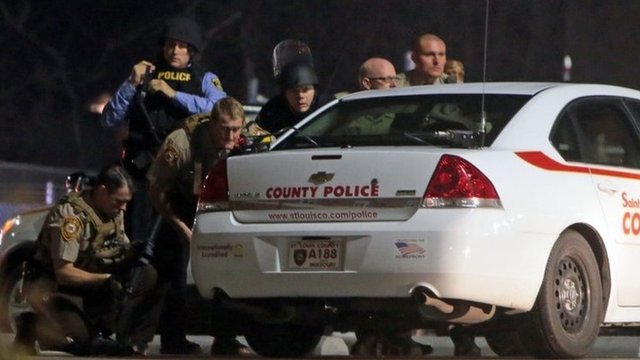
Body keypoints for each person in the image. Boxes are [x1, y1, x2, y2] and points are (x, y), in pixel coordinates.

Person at [100, 16, 227, 244]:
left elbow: (219, 108)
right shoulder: (145, 74)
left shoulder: (205, 79)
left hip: (184, 174)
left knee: (179, 241)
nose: (175, 51)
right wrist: (131, 83)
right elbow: (109, 118)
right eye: (170, 45)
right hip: (142, 171)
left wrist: (173, 94)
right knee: (137, 237)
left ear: (192, 51)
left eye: (181, 46)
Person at [13, 165, 161, 356]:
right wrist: (107, 280)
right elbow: (64, 272)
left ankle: (111, 332)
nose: (123, 208)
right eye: (119, 201)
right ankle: (31, 325)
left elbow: (117, 246)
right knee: (79, 342)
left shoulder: (113, 210)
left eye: (126, 202)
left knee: (146, 274)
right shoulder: (71, 217)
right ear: (102, 192)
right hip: (57, 287)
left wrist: (135, 251)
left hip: (91, 284)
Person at [146, 96, 251, 356]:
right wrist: (181, 227)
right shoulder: (181, 142)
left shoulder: (249, 136)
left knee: (227, 272)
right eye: (224, 128)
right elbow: (156, 189)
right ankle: (171, 339)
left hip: (219, 208)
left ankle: (225, 338)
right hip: (179, 205)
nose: (230, 135)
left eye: (236, 129)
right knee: (172, 274)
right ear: (212, 124)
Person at [255, 61, 327, 133]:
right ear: (285, 94)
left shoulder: (327, 108)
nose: (300, 96)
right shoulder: (271, 112)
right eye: (294, 91)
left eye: (305, 90)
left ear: (314, 90)